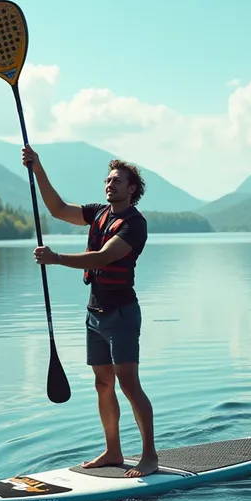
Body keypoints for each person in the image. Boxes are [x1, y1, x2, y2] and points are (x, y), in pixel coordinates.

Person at [21, 145, 158, 477]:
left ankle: (149, 456)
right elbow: (56, 209)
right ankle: (113, 451)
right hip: (94, 313)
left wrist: (57, 259)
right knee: (102, 384)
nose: (110, 185)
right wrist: (37, 168)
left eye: (118, 181)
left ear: (132, 189)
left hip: (121, 313)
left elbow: (104, 257)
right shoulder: (98, 213)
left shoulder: (134, 224)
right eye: (108, 180)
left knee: (128, 384)